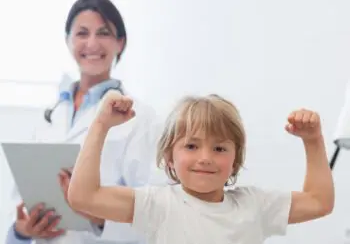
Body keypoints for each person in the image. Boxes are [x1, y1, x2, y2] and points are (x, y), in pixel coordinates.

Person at [67, 92, 335, 244]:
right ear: (169, 157)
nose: (205, 158)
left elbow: (319, 201)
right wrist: (101, 124)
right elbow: (83, 196)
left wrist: (313, 141)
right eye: (192, 146)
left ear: (235, 160)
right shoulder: (158, 204)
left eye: (219, 148)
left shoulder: (255, 205)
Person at [4, 0, 167, 244]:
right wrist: (22, 231)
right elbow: (18, 199)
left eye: (103, 33)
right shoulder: (50, 115)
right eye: (82, 33)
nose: (92, 43)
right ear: (68, 40)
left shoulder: (140, 118)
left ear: (119, 43)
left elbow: (153, 210)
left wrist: (99, 219)